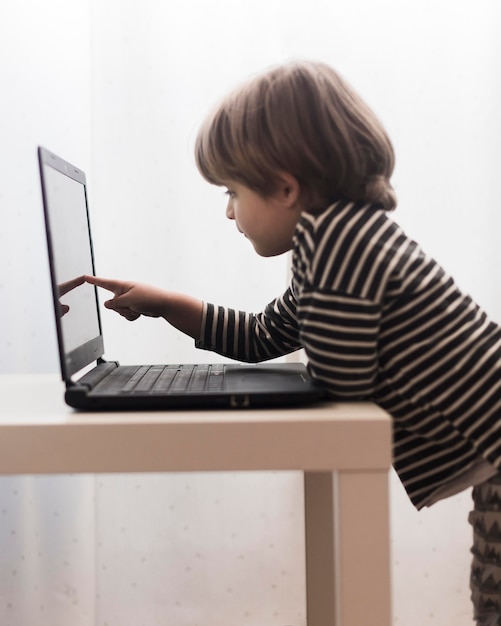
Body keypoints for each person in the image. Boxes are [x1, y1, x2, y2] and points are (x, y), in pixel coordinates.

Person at [85, 61, 501, 624]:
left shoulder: (340, 242)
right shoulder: (332, 238)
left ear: (285, 187)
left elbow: (341, 382)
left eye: (232, 191)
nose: (228, 210)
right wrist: (167, 304)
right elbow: (263, 336)